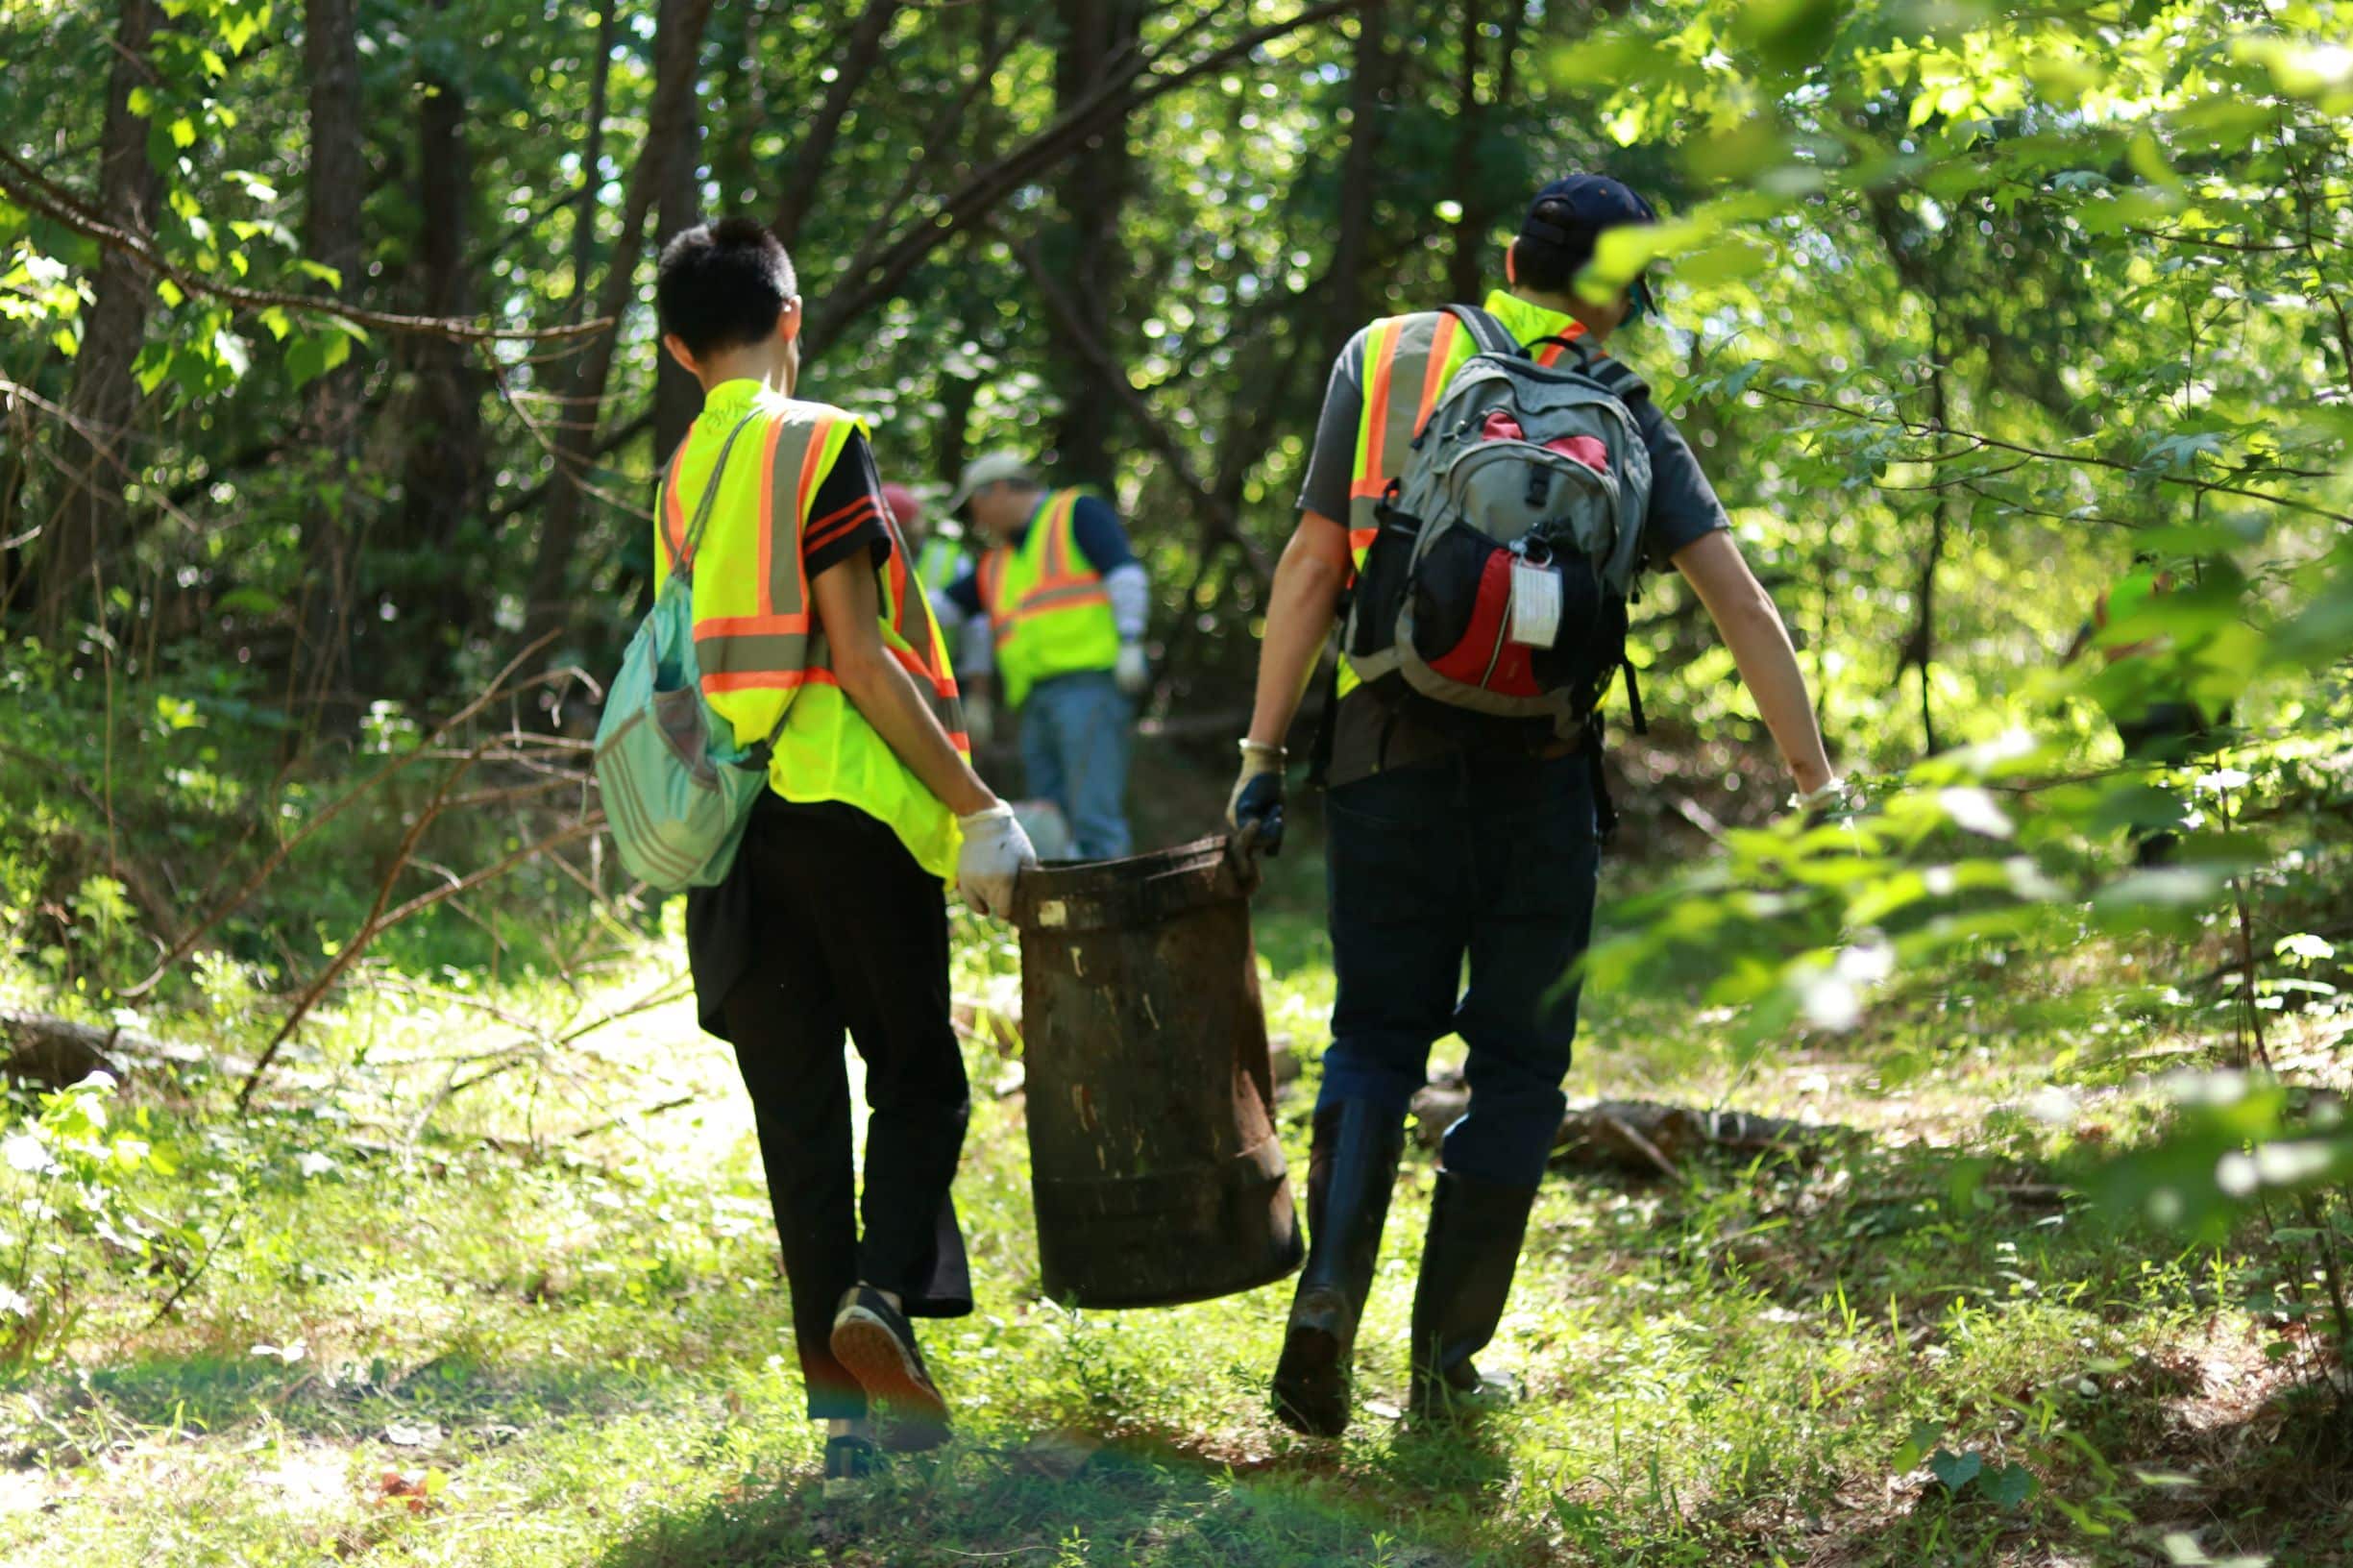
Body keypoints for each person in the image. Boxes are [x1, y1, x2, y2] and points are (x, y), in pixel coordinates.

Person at [1228, 175, 1840, 1435]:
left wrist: (1261, 753)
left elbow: (1309, 565)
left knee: (1374, 1041)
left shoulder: (1390, 354)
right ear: (1620, 301)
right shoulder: (1624, 412)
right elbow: (1743, 606)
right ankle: (1446, 1369)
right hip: (1544, 780)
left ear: (1510, 258)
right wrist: (1817, 783)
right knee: (1515, 1072)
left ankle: (1327, 1297)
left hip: (1387, 752)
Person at [649, 218, 1038, 1483]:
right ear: (792, 314)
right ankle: (882, 1297)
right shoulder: (817, 442)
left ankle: (848, 1453)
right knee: (919, 1080)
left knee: (798, 1129)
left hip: (732, 838)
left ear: (671, 346)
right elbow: (859, 656)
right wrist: (977, 806)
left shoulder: (681, 479)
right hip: (850, 820)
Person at [940, 452, 1151, 860]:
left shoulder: (1074, 513)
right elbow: (941, 608)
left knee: (1093, 815)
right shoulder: (996, 562)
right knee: (1048, 820)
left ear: (999, 490)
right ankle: (1064, 913)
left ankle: (1111, 915)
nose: (976, 520)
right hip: (1034, 699)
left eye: (975, 506)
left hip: (1089, 685)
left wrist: (1130, 641)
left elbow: (1125, 575)